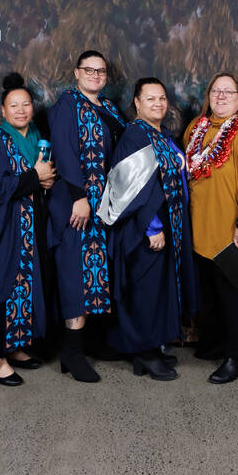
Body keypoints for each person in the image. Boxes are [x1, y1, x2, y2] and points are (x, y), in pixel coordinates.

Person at [97, 78, 200, 381]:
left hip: (169, 224)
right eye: (150, 99)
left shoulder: (161, 134)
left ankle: (153, 347)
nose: (158, 104)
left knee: (158, 289)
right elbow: (130, 190)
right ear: (137, 103)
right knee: (145, 290)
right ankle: (144, 352)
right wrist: (152, 226)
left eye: (162, 98)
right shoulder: (135, 135)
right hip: (143, 228)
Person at [184, 72, 238, 384]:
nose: (221, 96)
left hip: (235, 230)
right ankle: (221, 343)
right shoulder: (196, 128)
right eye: (215, 91)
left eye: (228, 91)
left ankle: (236, 358)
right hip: (203, 228)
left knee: (237, 296)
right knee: (215, 293)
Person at [0, 73, 56, 386]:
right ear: (3, 111)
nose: (21, 110)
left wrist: (46, 180)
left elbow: (41, 177)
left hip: (30, 231)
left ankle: (15, 346)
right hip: (2, 231)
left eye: (26, 104)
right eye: (14, 105)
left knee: (25, 287)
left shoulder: (38, 139)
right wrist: (35, 177)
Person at [48, 51, 125, 382]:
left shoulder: (108, 107)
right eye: (89, 70)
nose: (95, 75)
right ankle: (72, 352)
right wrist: (78, 196)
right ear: (76, 72)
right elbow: (64, 152)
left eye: (101, 71)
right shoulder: (66, 105)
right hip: (77, 205)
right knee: (75, 277)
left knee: (97, 275)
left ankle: (92, 342)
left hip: (104, 207)